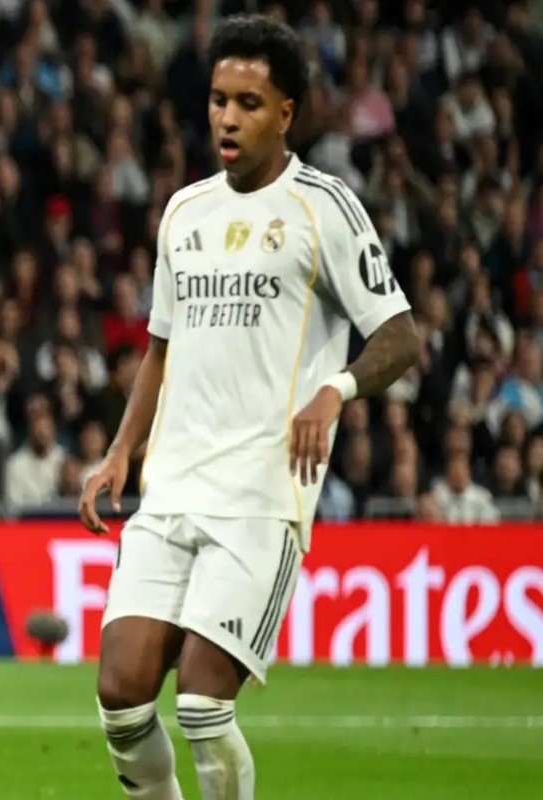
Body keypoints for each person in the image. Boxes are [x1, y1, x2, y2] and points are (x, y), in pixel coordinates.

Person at [78, 15, 418, 800]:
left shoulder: (324, 207)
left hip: (260, 498)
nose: (226, 118)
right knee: (121, 698)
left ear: (286, 113)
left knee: (202, 706)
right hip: (171, 490)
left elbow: (400, 336)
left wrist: (335, 389)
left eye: (248, 103)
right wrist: (121, 450)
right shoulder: (183, 213)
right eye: (218, 100)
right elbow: (160, 349)